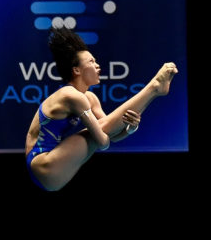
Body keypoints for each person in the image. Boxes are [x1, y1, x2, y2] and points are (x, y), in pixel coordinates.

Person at [25, 28, 177, 191]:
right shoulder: (70, 95)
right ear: (76, 70)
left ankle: (154, 90)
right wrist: (109, 131)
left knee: (100, 128)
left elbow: (113, 135)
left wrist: (130, 128)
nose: (98, 66)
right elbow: (103, 142)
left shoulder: (90, 98)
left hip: (56, 164)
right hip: (43, 164)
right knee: (92, 133)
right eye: (91, 62)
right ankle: (153, 87)